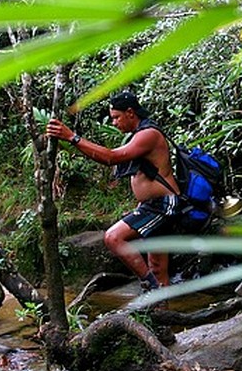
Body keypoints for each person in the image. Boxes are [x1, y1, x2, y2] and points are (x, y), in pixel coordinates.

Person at [45, 91, 178, 290]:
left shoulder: (148, 134)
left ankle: (151, 287)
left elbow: (111, 158)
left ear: (131, 113)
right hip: (151, 205)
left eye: (116, 117)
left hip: (162, 205)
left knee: (113, 237)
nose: (114, 123)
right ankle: (162, 313)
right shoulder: (139, 134)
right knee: (158, 268)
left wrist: (72, 137)